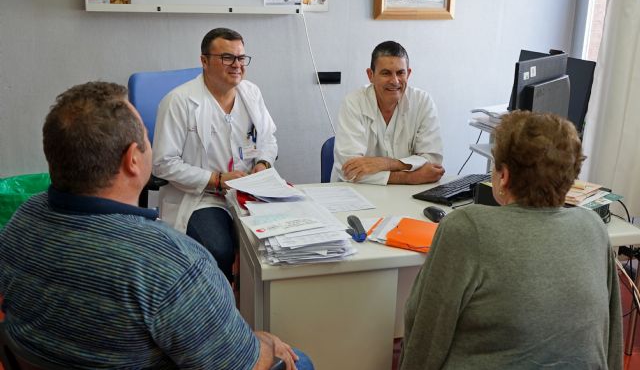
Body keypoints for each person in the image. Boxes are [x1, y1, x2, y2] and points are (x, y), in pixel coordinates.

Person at [0, 82, 312, 370]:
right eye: (147, 138)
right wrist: (264, 343)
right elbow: (242, 365)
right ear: (133, 160)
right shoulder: (176, 264)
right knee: (301, 360)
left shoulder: (21, 222)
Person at [400, 111, 622, 369]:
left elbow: (425, 336)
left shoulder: (467, 229)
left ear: (503, 175)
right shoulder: (593, 228)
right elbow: (612, 339)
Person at [153, 28, 278, 283]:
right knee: (218, 247)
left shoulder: (251, 93)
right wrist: (217, 179)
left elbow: (269, 138)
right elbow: (163, 164)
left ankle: (251, 303)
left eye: (241, 58)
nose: (237, 66)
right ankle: (217, 305)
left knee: (277, 243)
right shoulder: (179, 101)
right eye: (227, 58)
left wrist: (263, 163)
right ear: (204, 61)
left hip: (248, 192)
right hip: (202, 196)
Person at [331, 40, 444, 185]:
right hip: (356, 194)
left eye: (400, 73)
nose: (395, 81)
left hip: (405, 195)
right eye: (386, 73)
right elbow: (349, 169)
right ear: (370, 75)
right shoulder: (354, 102)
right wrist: (409, 177)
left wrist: (387, 164)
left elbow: (433, 163)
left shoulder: (423, 101)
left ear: (408, 74)